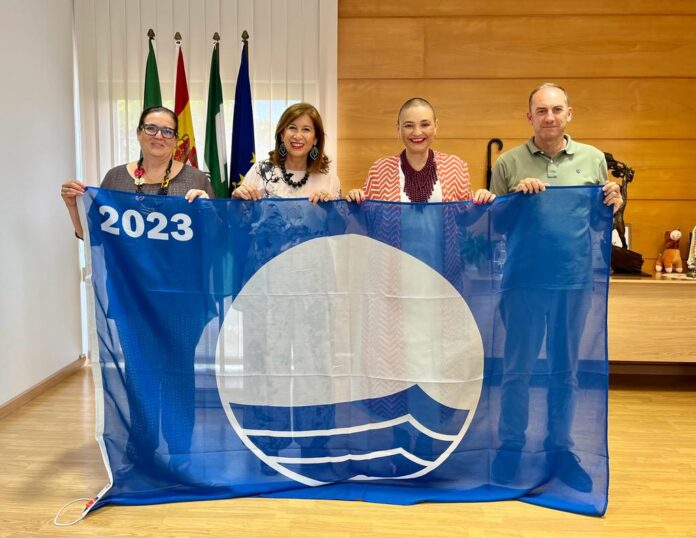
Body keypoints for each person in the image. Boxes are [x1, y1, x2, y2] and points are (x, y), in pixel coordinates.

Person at [60, 106, 214, 479]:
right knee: (139, 374)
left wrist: (207, 208)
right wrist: (71, 204)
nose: (158, 136)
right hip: (132, 296)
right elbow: (91, 235)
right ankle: (142, 449)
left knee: (178, 373)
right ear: (139, 132)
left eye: (166, 130)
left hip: (181, 298)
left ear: (177, 139)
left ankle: (180, 452)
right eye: (151, 128)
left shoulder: (196, 178)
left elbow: (214, 237)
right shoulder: (115, 178)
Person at [489, 83, 622, 492]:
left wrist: (617, 200)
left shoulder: (594, 159)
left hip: (574, 282)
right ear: (528, 117)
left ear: (569, 114)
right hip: (523, 283)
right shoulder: (508, 164)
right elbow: (492, 225)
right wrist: (514, 198)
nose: (549, 117)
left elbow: (602, 223)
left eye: (556, 110)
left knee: (566, 372)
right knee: (517, 372)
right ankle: (510, 448)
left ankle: (560, 450)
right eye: (541, 111)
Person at [345, 97, 495, 205]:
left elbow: (466, 220)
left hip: (444, 250)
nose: (417, 133)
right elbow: (366, 219)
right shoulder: (380, 170)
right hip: (392, 249)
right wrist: (355, 199)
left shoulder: (455, 167)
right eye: (409, 125)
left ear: (436, 127)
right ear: (398, 129)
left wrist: (482, 199)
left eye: (425, 124)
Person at [232, 102, 340, 203]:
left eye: (306, 129)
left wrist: (329, 209)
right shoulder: (260, 171)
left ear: (316, 138)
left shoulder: (329, 178)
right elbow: (238, 217)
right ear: (282, 135)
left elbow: (339, 221)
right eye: (292, 128)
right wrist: (236, 198)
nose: (297, 136)